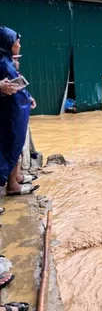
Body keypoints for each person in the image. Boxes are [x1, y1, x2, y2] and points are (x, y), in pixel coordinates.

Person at [0, 26, 39, 195]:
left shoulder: (7, 61)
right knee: (11, 145)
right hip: (11, 114)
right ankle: (12, 184)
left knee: (15, 144)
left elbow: (18, 84)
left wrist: (27, 96)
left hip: (15, 112)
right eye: (17, 42)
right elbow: (13, 88)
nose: (19, 46)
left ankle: (15, 179)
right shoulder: (3, 63)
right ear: (9, 44)